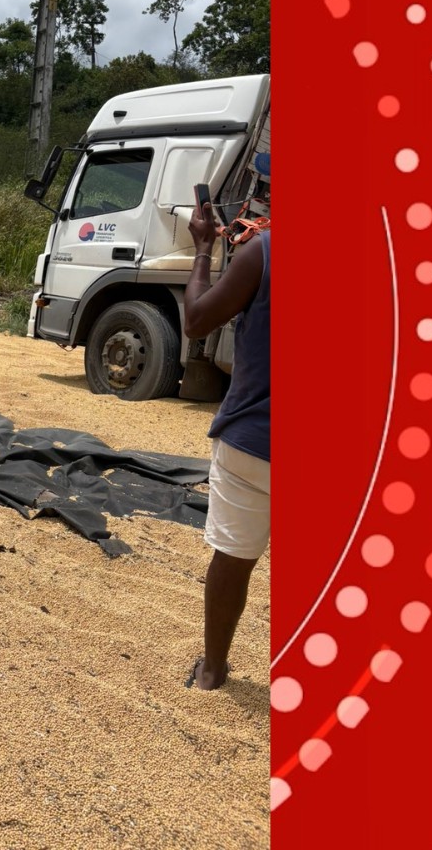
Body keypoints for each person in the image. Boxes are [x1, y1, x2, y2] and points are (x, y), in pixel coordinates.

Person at [179, 185, 270, 691]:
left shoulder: (262, 254)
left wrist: (203, 250)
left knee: (234, 558)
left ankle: (212, 670)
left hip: (252, 441)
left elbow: (196, 321)